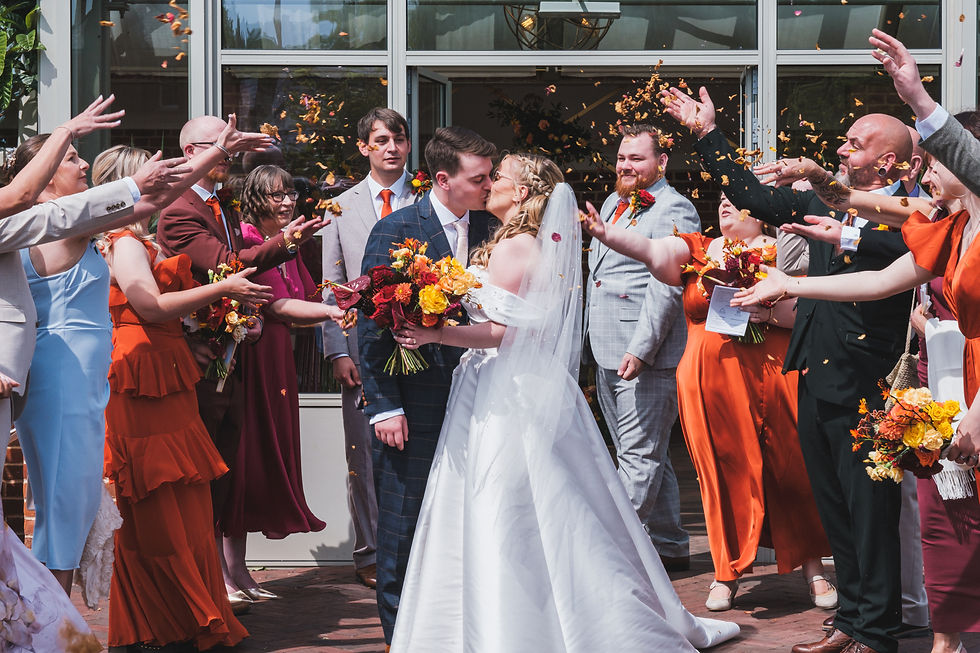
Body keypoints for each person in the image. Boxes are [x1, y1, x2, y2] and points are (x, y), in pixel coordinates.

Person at [387, 153, 739, 651]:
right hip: (513, 383)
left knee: (505, 503)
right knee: (550, 500)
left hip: (503, 389)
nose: (489, 186)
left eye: (499, 179)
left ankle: (514, 624)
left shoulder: (515, 247)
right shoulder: (525, 243)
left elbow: (503, 332)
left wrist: (437, 333)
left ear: (524, 193)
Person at [734, 31, 980, 652]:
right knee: (953, 523)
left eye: (933, 158)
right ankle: (929, 637)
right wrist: (792, 282)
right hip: (961, 375)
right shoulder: (950, 225)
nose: (924, 169)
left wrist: (917, 94)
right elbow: (876, 279)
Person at [662, 85, 915, 653]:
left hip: (870, 382)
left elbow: (895, 249)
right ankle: (850, 621)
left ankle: (877, 631)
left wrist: (840, 213)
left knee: (870, 510)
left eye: (854, 144)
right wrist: (707, 135)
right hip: (815, 374)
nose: (842, 152)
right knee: (836, 509)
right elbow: (752, 195)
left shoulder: (915, 209)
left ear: (890, 161)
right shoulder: (829, 201)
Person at [584, 194, 834, 611]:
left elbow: (813, 310)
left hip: (777, 374)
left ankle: (813, 566)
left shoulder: (785, 250)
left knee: (792, 465)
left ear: (764, 210)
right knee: (721, 471)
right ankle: (726, 572)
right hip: (710, 380)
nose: (725, 205)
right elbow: (653, 250)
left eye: (736, 200)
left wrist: (767, 313)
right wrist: (608, 234)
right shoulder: (698, 248)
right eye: (720, 200)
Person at [96, 133, 274, 650]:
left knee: (187, 501)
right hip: (140, 379)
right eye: (154, 177)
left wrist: (220, 152)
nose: (166, 184)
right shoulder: (124, 242)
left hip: (167, 372)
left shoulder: (142, 239)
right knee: (157, 505)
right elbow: (148, 305)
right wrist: (223, 289)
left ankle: (185, 615)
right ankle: (165, 619)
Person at [156, 114, 324, 608]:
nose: (228, 156)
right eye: (219, 147)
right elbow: (227, 265)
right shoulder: (178, 212)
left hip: (233, 357)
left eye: (230, 147)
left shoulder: (219, 203)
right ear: (192, 154)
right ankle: (204, 583)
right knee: (206, 472)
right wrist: (288, 240)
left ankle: (222, 577)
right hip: (202, 361)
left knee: (225, 473)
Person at [357, 125, 494, 646]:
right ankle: (399, 635)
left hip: (480, 399)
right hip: (414, 401)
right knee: (402, 521)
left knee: (464, 517)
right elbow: (371, 325)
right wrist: (384, 406)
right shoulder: (396, 231)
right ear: (443, 179)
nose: (488, 185)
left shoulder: (491, 229)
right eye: (478, 178)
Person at [0, 97, 128, 597]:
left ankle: (53, 623)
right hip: (62, 372)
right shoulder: (59, 224)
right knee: (64, 498)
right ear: (47, 174)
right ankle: (53, 626)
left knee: (68, 497)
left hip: (80, 374)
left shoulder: (52, 223)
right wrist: (198, 164)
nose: (82, 165)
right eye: (73, 157)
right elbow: (138, 199)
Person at [220, 165, 345, 598]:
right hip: (253, 359)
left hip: (279, 359)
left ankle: (239, 569)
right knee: (242, 461)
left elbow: (308, 295)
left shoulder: (290, 243)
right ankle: (224, 572)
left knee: (259, 464)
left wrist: (342, 295)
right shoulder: (250, 241)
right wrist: (331, 312)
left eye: (290, 192)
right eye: (276, 194)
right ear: (255, 198)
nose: (287, 200)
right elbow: (279, 307)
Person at [585, 124, 693, 569]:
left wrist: (643, 348)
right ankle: (670, 545)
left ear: (661, 162)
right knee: (644, 450)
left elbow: (667, 287)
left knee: (638, 455)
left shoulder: (677, 208)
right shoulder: (613, 202)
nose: (626, 166)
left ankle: (614, 556)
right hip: (605, 345)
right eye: (621, 158)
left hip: (643, 354)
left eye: (637, 158)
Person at [320, 107, 415, 589]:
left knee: (421, 448)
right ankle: (371, 551)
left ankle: (419, 551)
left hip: (425, 343)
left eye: (398, 138)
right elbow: (329, 284)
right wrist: (338, 350)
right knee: (364, 454)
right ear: (364, 148)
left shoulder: (428, 198)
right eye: (380, 140)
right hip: (362, 349)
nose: (391, 148)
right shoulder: (340, 206)